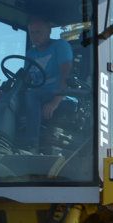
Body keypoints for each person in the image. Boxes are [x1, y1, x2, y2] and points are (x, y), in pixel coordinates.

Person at [20, 16, 73, 150]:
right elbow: (25, 81)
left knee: (32, 95)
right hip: (38, 94)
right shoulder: (30, 53)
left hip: (58, 93)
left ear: (49, 31)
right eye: (32, 33)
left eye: (38, 32)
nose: (35, 36)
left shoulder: (60, 46)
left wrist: (54, 103)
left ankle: (31, 143)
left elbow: (66, 75)